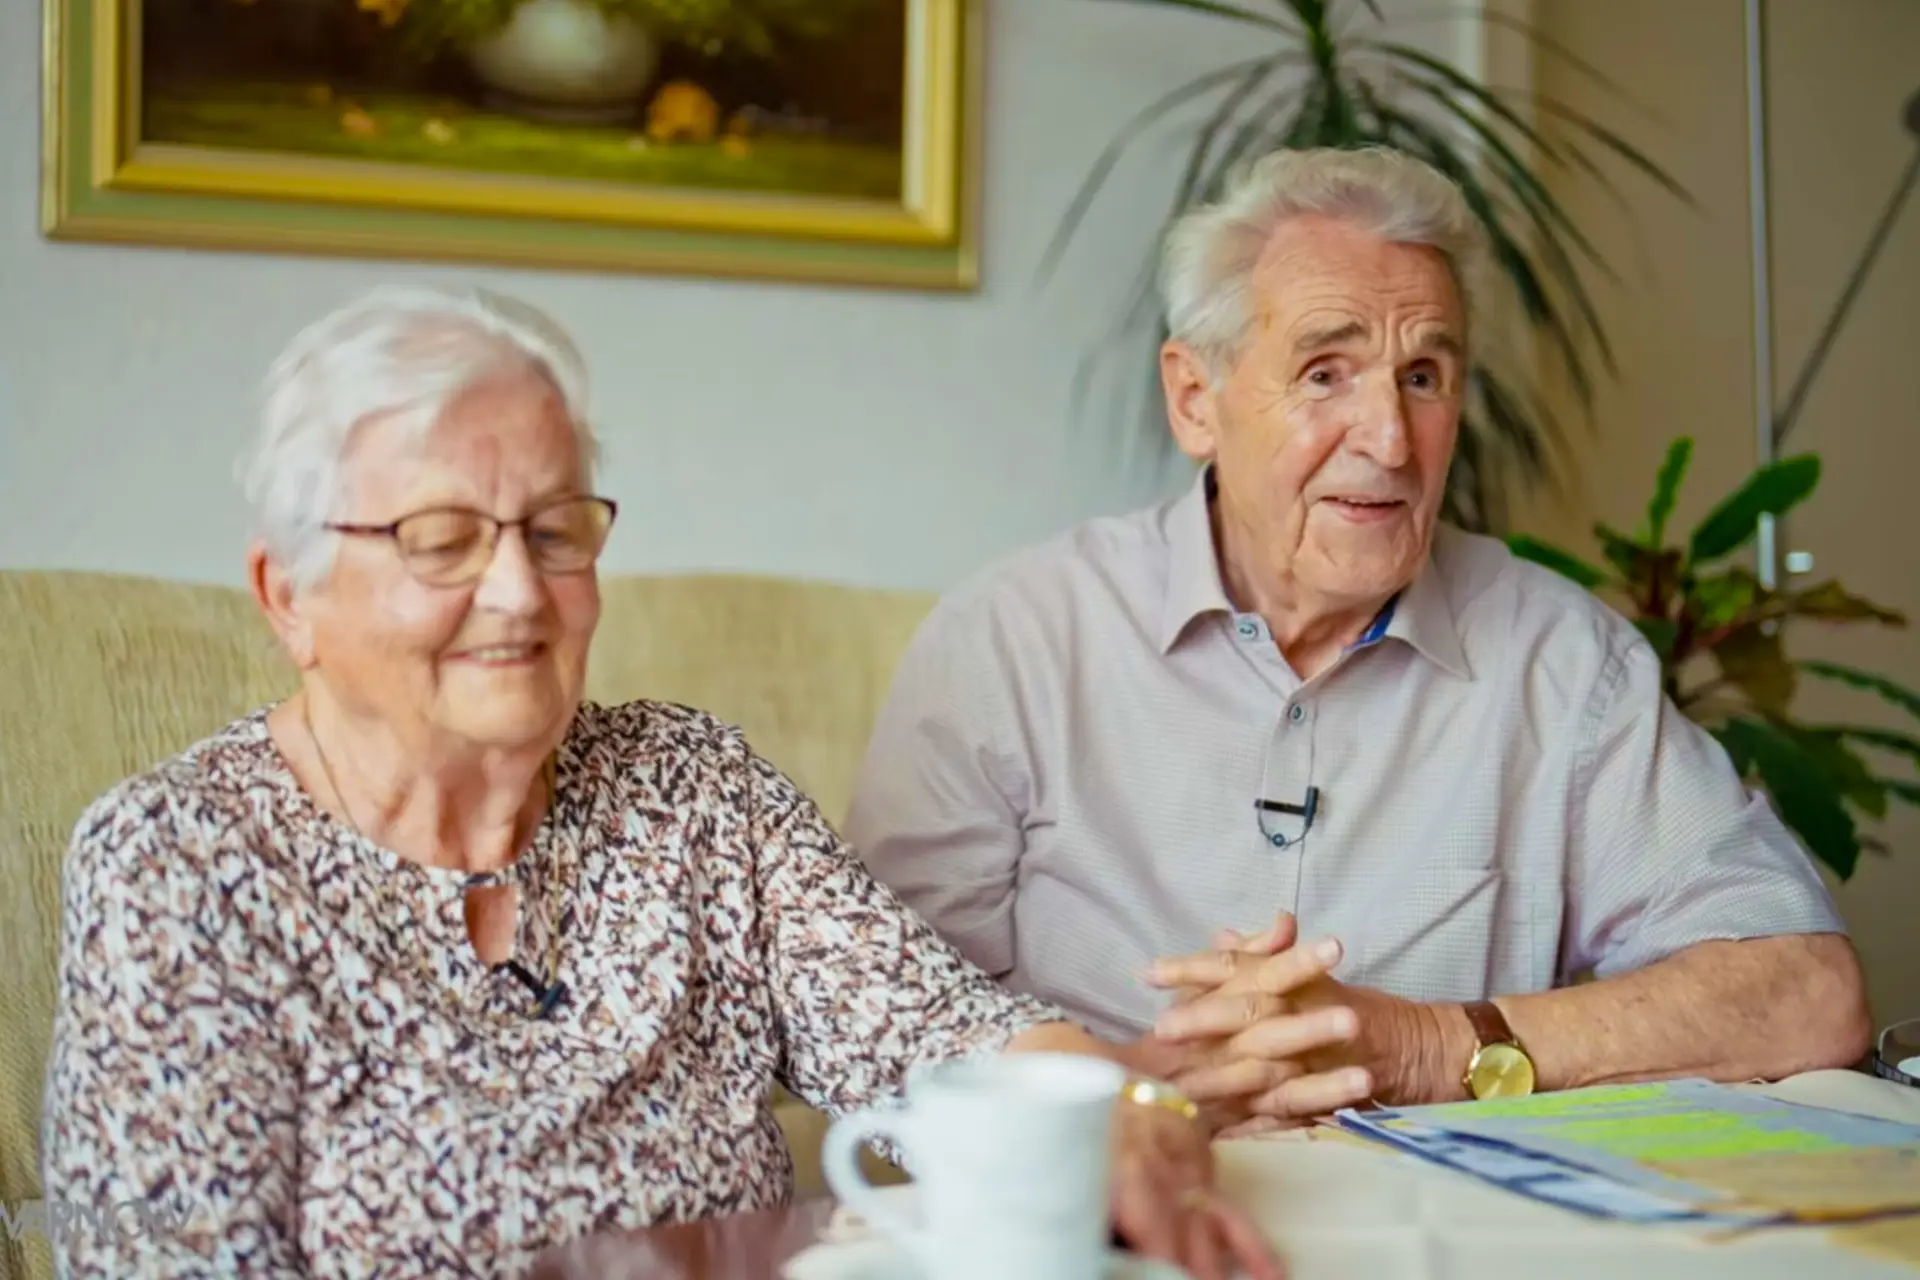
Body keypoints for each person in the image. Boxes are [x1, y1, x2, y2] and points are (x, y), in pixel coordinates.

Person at [40, 287, 1280, 1280]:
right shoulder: (180, 864)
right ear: (289, 596)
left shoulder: (688, 787)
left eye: (554, 531)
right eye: (443, 540)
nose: (518, 592)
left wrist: (1113, 1109)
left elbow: (939, 1033)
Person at [844, 146, 1872, 1130]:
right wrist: (1127, 1095)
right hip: (1100, 1214)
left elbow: (1806, 993)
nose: (1388, 439)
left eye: (1423, 377)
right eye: (1326, 372)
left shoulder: (1565, 665)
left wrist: (1433, 1046)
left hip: (1449, 1223)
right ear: (1196, 400)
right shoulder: (1011, 643)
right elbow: (861, 1022)